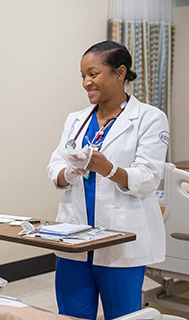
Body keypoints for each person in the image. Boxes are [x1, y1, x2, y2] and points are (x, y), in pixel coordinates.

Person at [47, 40, 169, 320]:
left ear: (120, 72)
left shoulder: (149, 119)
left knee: (123, 316)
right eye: (82, 76)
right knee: (70, 316)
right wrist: (69, 172)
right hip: (73, 238)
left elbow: (149, 177)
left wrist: (108, 169)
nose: (86, 82)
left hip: (120, 239)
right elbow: (55, 166)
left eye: (93, 74)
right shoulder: (75, 120)